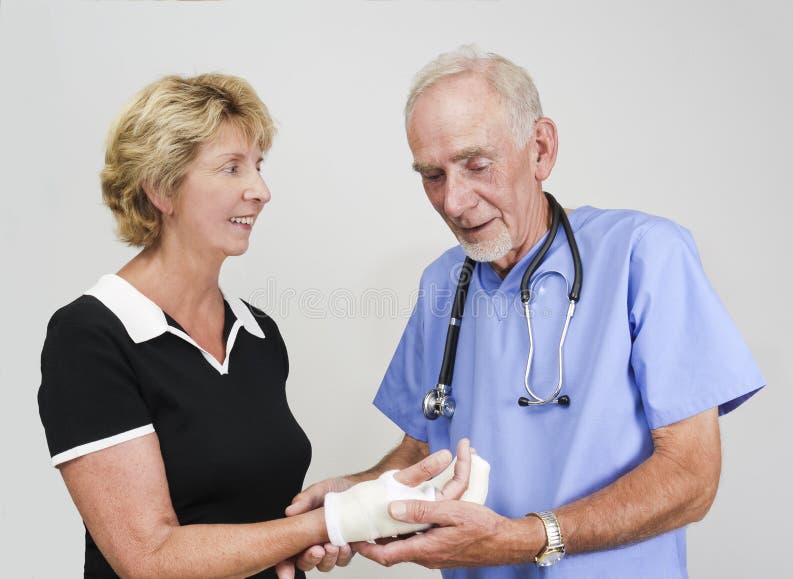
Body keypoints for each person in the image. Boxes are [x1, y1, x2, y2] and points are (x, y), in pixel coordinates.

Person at [285, 46, 765, 578]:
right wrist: (351, 503)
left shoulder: (644, 255)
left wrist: (524, 539)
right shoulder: (444, 281)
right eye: (433, 176)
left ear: (540, 149)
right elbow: (422, 452)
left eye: (476, 165)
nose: (454, 203)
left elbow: (691, 479)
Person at [36, 73, 471, 579]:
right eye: (231, 168)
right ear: (160, 188)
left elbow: (259, 525)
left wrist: (320, 532)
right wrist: (327, 525)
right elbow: (148, 558)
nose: (260, 191)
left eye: (258, 166)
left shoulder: (257, 333)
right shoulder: (91, 337)